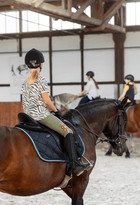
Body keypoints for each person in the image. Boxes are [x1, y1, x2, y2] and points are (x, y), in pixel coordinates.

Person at [21, 48, 91, 176]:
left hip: (27, 116)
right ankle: (75, 165)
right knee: (68, 132)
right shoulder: (41, 80)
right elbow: (47, 101)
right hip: (40, 116)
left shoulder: (25, 82)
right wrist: (56, 111)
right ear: (40, 64)